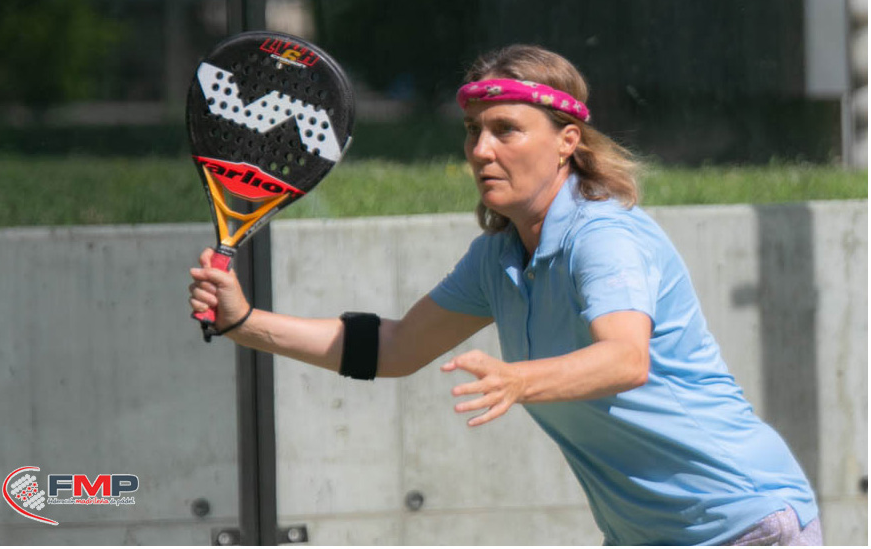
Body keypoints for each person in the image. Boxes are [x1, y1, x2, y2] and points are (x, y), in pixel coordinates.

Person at [189, 44, 821, 546]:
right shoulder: (497, 258)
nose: (481, 150)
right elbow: (396, 347)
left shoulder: (604, 236)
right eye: (473, 131)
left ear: (567, 141)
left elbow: (626, 359)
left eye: (506, 130)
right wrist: (244, 321)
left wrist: (519, 379)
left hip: (746, 524)